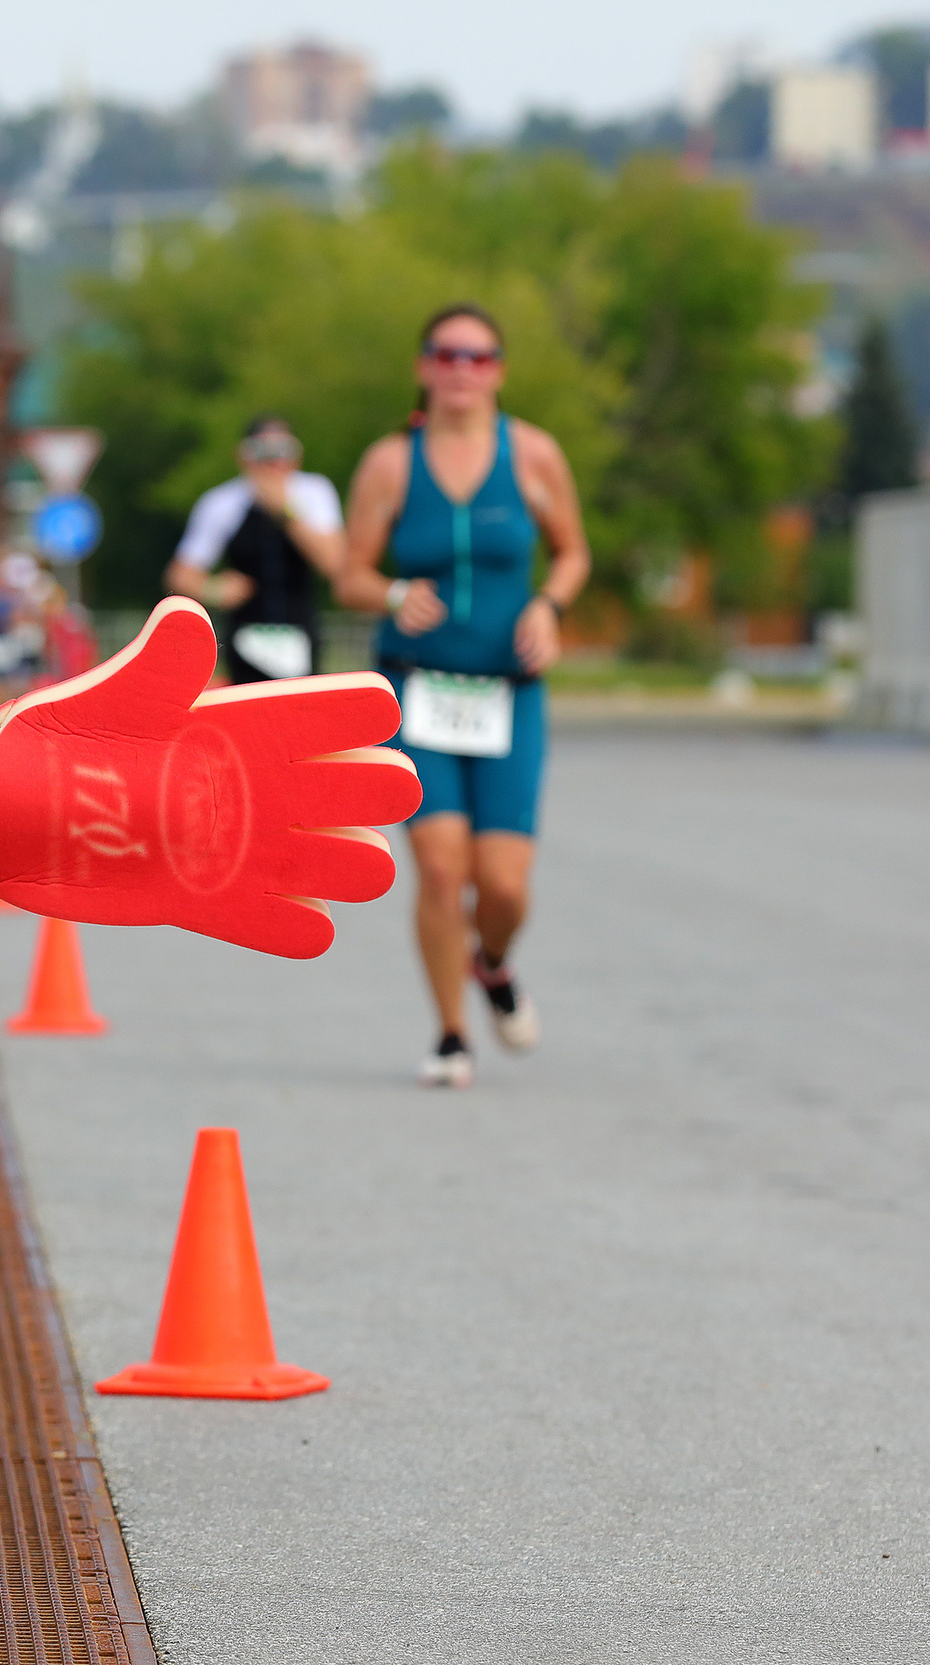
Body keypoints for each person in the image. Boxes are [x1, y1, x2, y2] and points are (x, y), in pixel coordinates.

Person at [336, 304, 590, 1089]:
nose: (461, 370)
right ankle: (451, 1035)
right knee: (442, 872)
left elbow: (574, 553)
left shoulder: (536, 456)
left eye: (478, 358)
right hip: (419, 692)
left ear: (499, 373)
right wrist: (389, 595)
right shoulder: (388, 465)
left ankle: (495, 961)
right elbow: (349, 574)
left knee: (503, 884)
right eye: (446, 355)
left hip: (510, 694)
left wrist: (549, 605)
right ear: (423, 368)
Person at [165, 414, 343, 685]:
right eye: (263, 451)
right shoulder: (221, 503)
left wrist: (284, 510)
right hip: (244, 638)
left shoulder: (314, 492)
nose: (273, 460)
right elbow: (180, 574)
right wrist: (214, 589)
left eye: (282, 450)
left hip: (301, 634)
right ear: (244, 455)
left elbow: (334, 563)